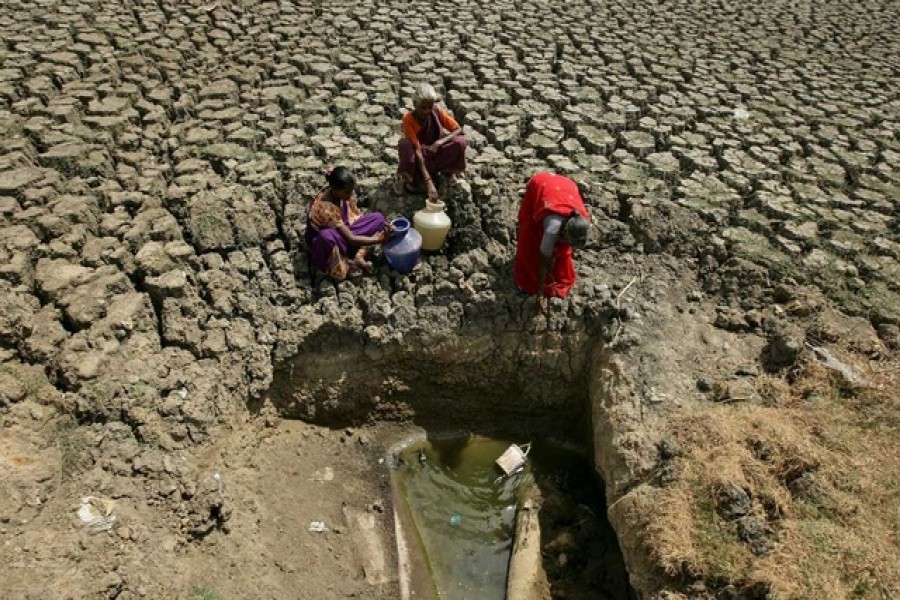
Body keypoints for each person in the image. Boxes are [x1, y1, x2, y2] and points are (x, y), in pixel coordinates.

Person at [513, 172, 591, 312]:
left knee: (560, 253)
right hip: (540, 184)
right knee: (530, 238)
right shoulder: (552, 229)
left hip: (566, 187)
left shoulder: (582, 221)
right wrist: (539, 294)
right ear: (563, 233)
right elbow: (543, 261)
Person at [305, 167, 392, 280]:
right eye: (347, 192)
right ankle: (348, 261)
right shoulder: (326, 209)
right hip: (330, 241)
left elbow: (350, 220)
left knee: (378, 218)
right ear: (335, 189)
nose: (350, 195)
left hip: (343, 230)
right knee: (325, 237)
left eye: (351, 190)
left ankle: (357, 256)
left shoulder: (337, 193)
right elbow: (351, 238)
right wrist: (379, 239)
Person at [395, 82, 467, 202]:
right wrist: (429, 182)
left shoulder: (436, 111)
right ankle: (410, 178)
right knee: (404, 144)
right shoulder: (408, 119)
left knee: (461, 142)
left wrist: (440, 142)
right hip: (421, 157)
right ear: (415, 104)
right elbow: (417, 150)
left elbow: (458, 129)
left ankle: (446, 173)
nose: (427, 111)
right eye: (423, 108)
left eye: (429, 107)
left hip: (437, 152)